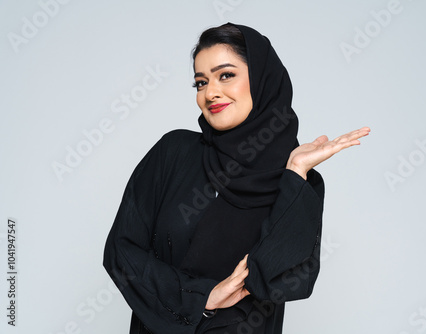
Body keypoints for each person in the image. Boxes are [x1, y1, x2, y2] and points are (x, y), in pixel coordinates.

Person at [103, 22, 370, 334]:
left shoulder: (294, 183)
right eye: (200, 83)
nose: (210, 93)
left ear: (261, 80)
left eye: (225, 75)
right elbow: (121, 251)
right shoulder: (173, 153)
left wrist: (295, 171)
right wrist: (200, 297)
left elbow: (281, 279)